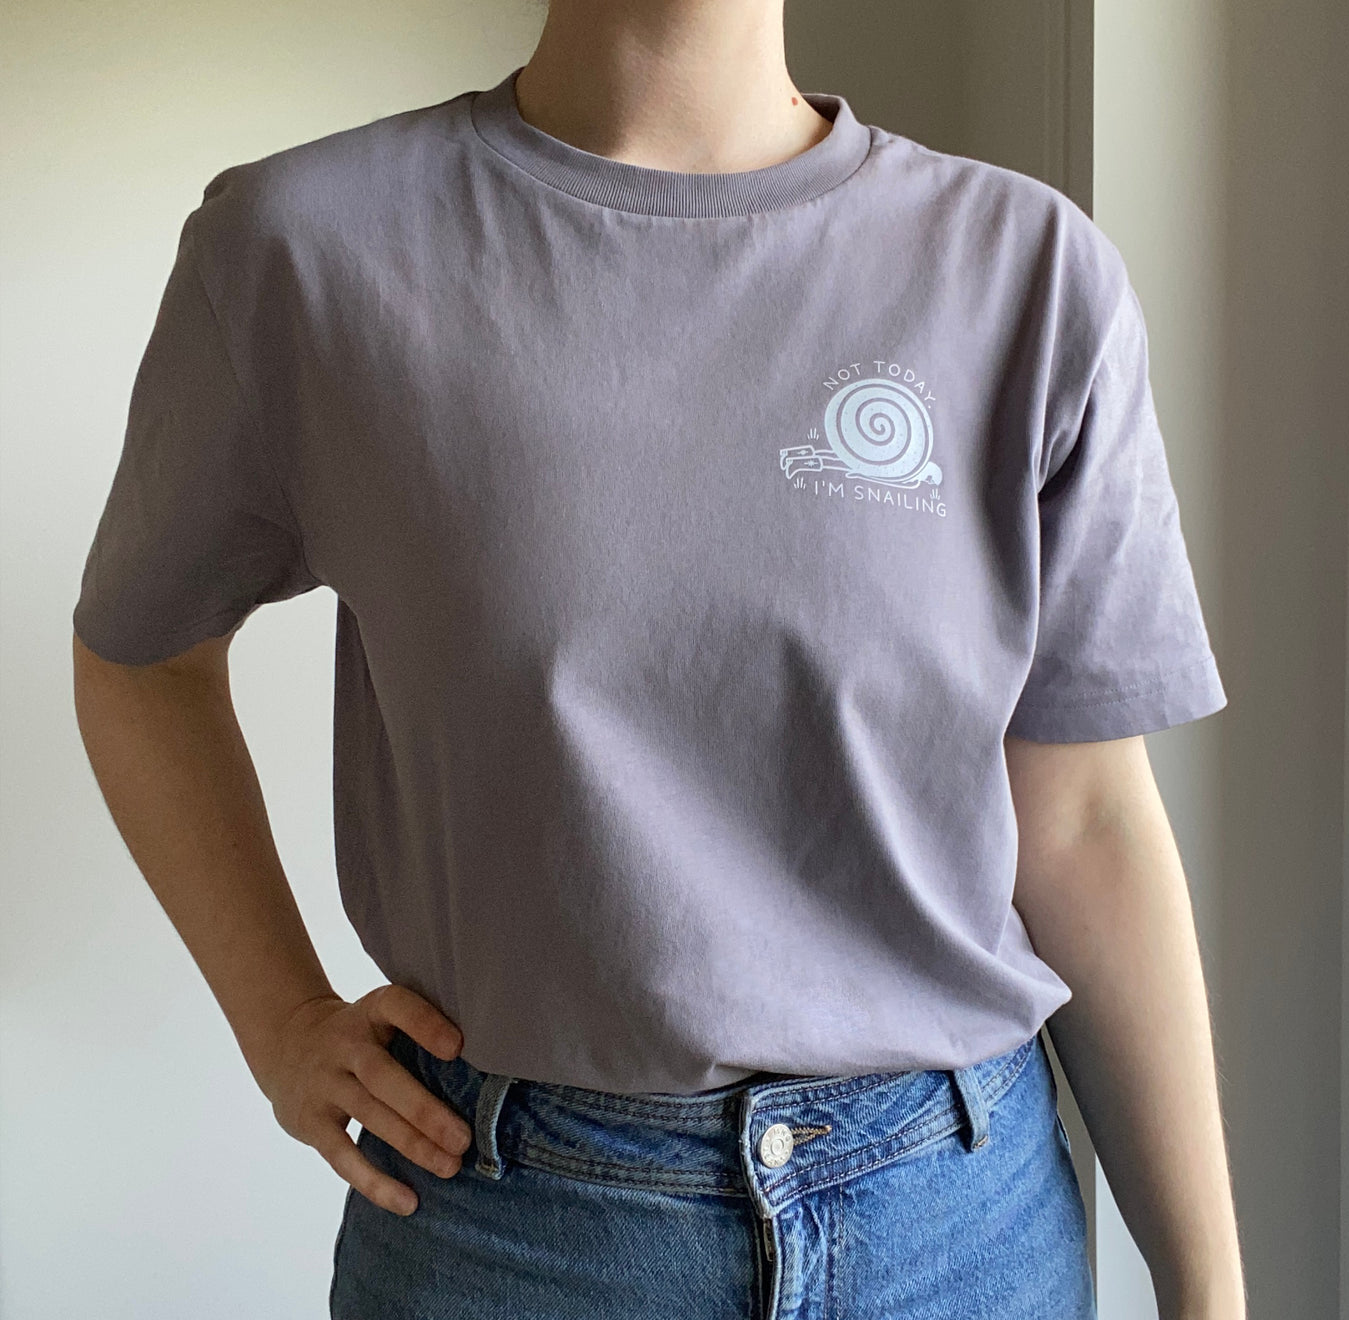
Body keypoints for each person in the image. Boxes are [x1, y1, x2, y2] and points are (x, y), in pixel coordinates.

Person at [71, 2, 1249, 1317]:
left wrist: (1207, 1289)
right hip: (514, 1234)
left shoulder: (1024, 270)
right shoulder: (300, 249)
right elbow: (141, 659)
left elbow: (1082, 823)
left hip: (955, 1227)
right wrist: (278, 1020)